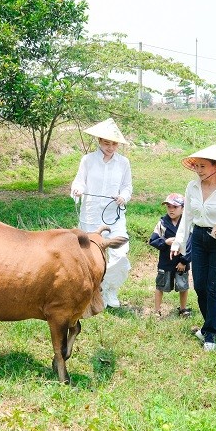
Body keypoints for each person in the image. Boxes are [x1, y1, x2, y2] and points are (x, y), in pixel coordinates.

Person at [171, 145, 216, 351]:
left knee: (212, 287)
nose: (199, 170)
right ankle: (215, 323)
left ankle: (209, 332)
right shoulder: (192, 187)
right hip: (199, 238)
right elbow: (187, 218)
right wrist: (178, 241)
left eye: (203, 166)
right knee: (200, 286)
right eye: (197, 166)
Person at [71, 118, 133, 308]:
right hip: (90, 215)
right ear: (99, 141)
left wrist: (123, 196)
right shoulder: (88, 160)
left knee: (120, 253)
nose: (110, 147)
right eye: (106, 143)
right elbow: (79, 181)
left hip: (114, 216)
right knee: (90, 255)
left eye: (114, 143)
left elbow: (127, 186)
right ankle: (92, 291)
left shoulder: (123, 163)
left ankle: (110, 289)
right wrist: (77, 189)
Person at [149, 193, 192, 318]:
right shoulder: (162, 223)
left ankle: (183, 309)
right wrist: (165, 242)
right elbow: (153, 240)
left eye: (175, 207)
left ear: (183, 208)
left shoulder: (187, 224)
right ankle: (157, 310)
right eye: (168, 207)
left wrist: (184, 261)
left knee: (183, 285)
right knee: (160, 285)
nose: (171, 210)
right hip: (165, 261)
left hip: (181, 263)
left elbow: (190, 244)